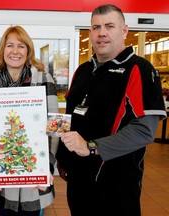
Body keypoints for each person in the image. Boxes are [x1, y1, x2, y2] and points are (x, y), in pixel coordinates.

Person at [56, 4, 166, 216]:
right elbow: (73, 117)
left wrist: (91, 146)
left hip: (116, 188)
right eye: (96, 27)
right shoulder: (82, 71)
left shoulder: (140, 69)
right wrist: (63, 158)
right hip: (78, 182)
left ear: (124, 30)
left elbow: (144, 131)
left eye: (109, 26)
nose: (102, 33)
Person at [0, 25, 59, 215]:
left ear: (28, 51)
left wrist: (47, 167)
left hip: (33, 176)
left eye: (21, 46)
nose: (15, 51)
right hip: (0, 177)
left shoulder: (43, 78)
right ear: (2, 50)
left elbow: (54, 127)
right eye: (10, 45)